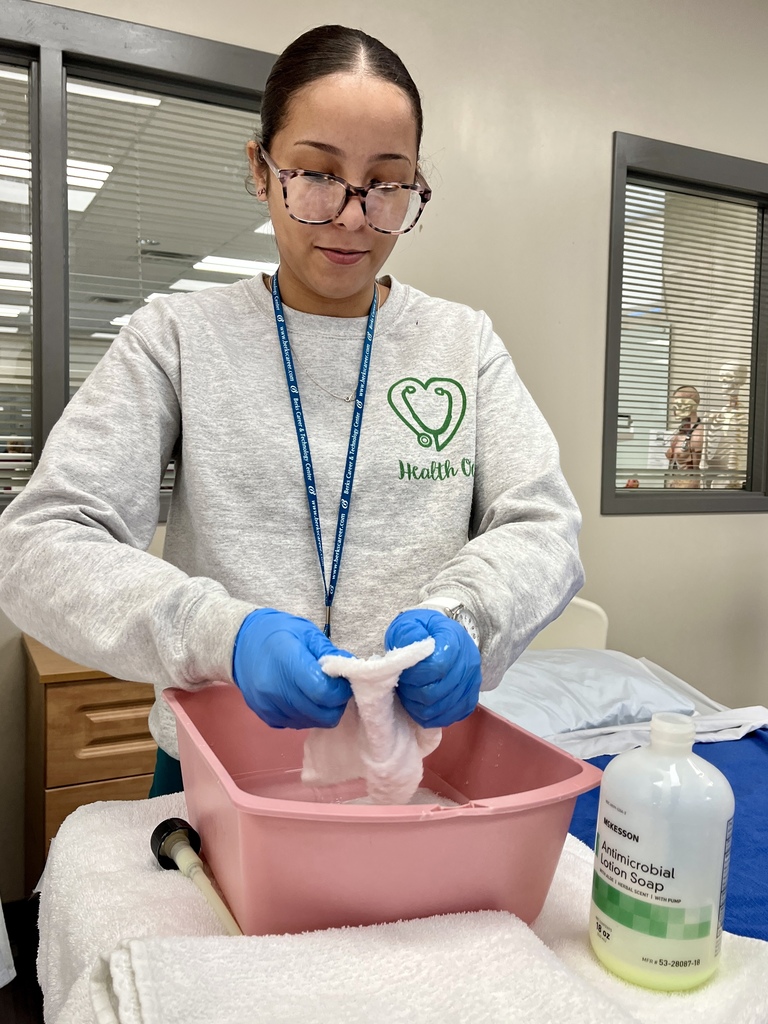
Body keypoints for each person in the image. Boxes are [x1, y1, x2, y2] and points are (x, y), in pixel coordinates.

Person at [0, 25, 583, 797]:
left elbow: (542, 524)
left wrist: (470, 617)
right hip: (220, 771)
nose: (351, 217)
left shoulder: (460, 343)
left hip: (414, 765)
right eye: (316, 174)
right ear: (260, 169)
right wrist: (223, 635)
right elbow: (40, 544)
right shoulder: (178, 338)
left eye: (387, 184)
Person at [665, 385, 704, 489]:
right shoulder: (679, 432)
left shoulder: (697, 437)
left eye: (678, 404)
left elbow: (696, 472)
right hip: (674, 484)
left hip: (687, 488)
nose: (673, 410)